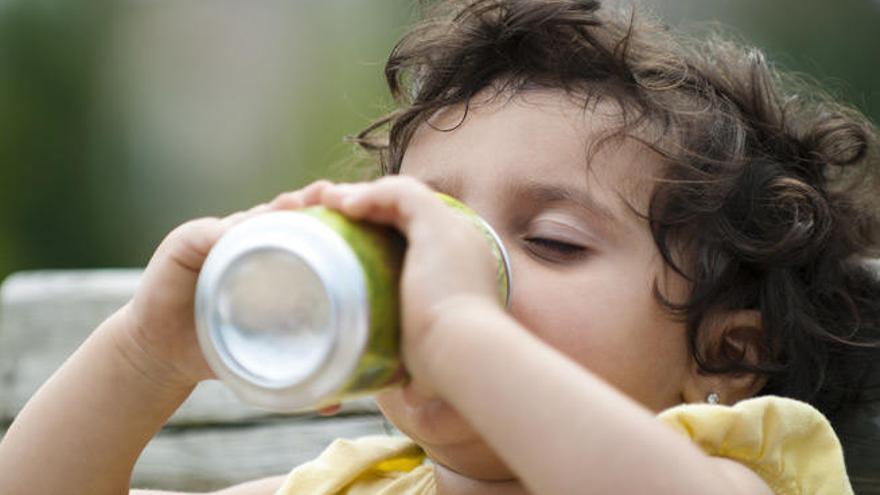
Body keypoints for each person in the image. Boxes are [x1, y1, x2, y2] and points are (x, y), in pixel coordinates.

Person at [1, 0, 879, 493]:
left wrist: (458, 324)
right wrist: (141, 356)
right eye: (415, 230)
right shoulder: (343, 486)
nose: (444, 266)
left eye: (551, 241)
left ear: (724, 354)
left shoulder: (735, 468)